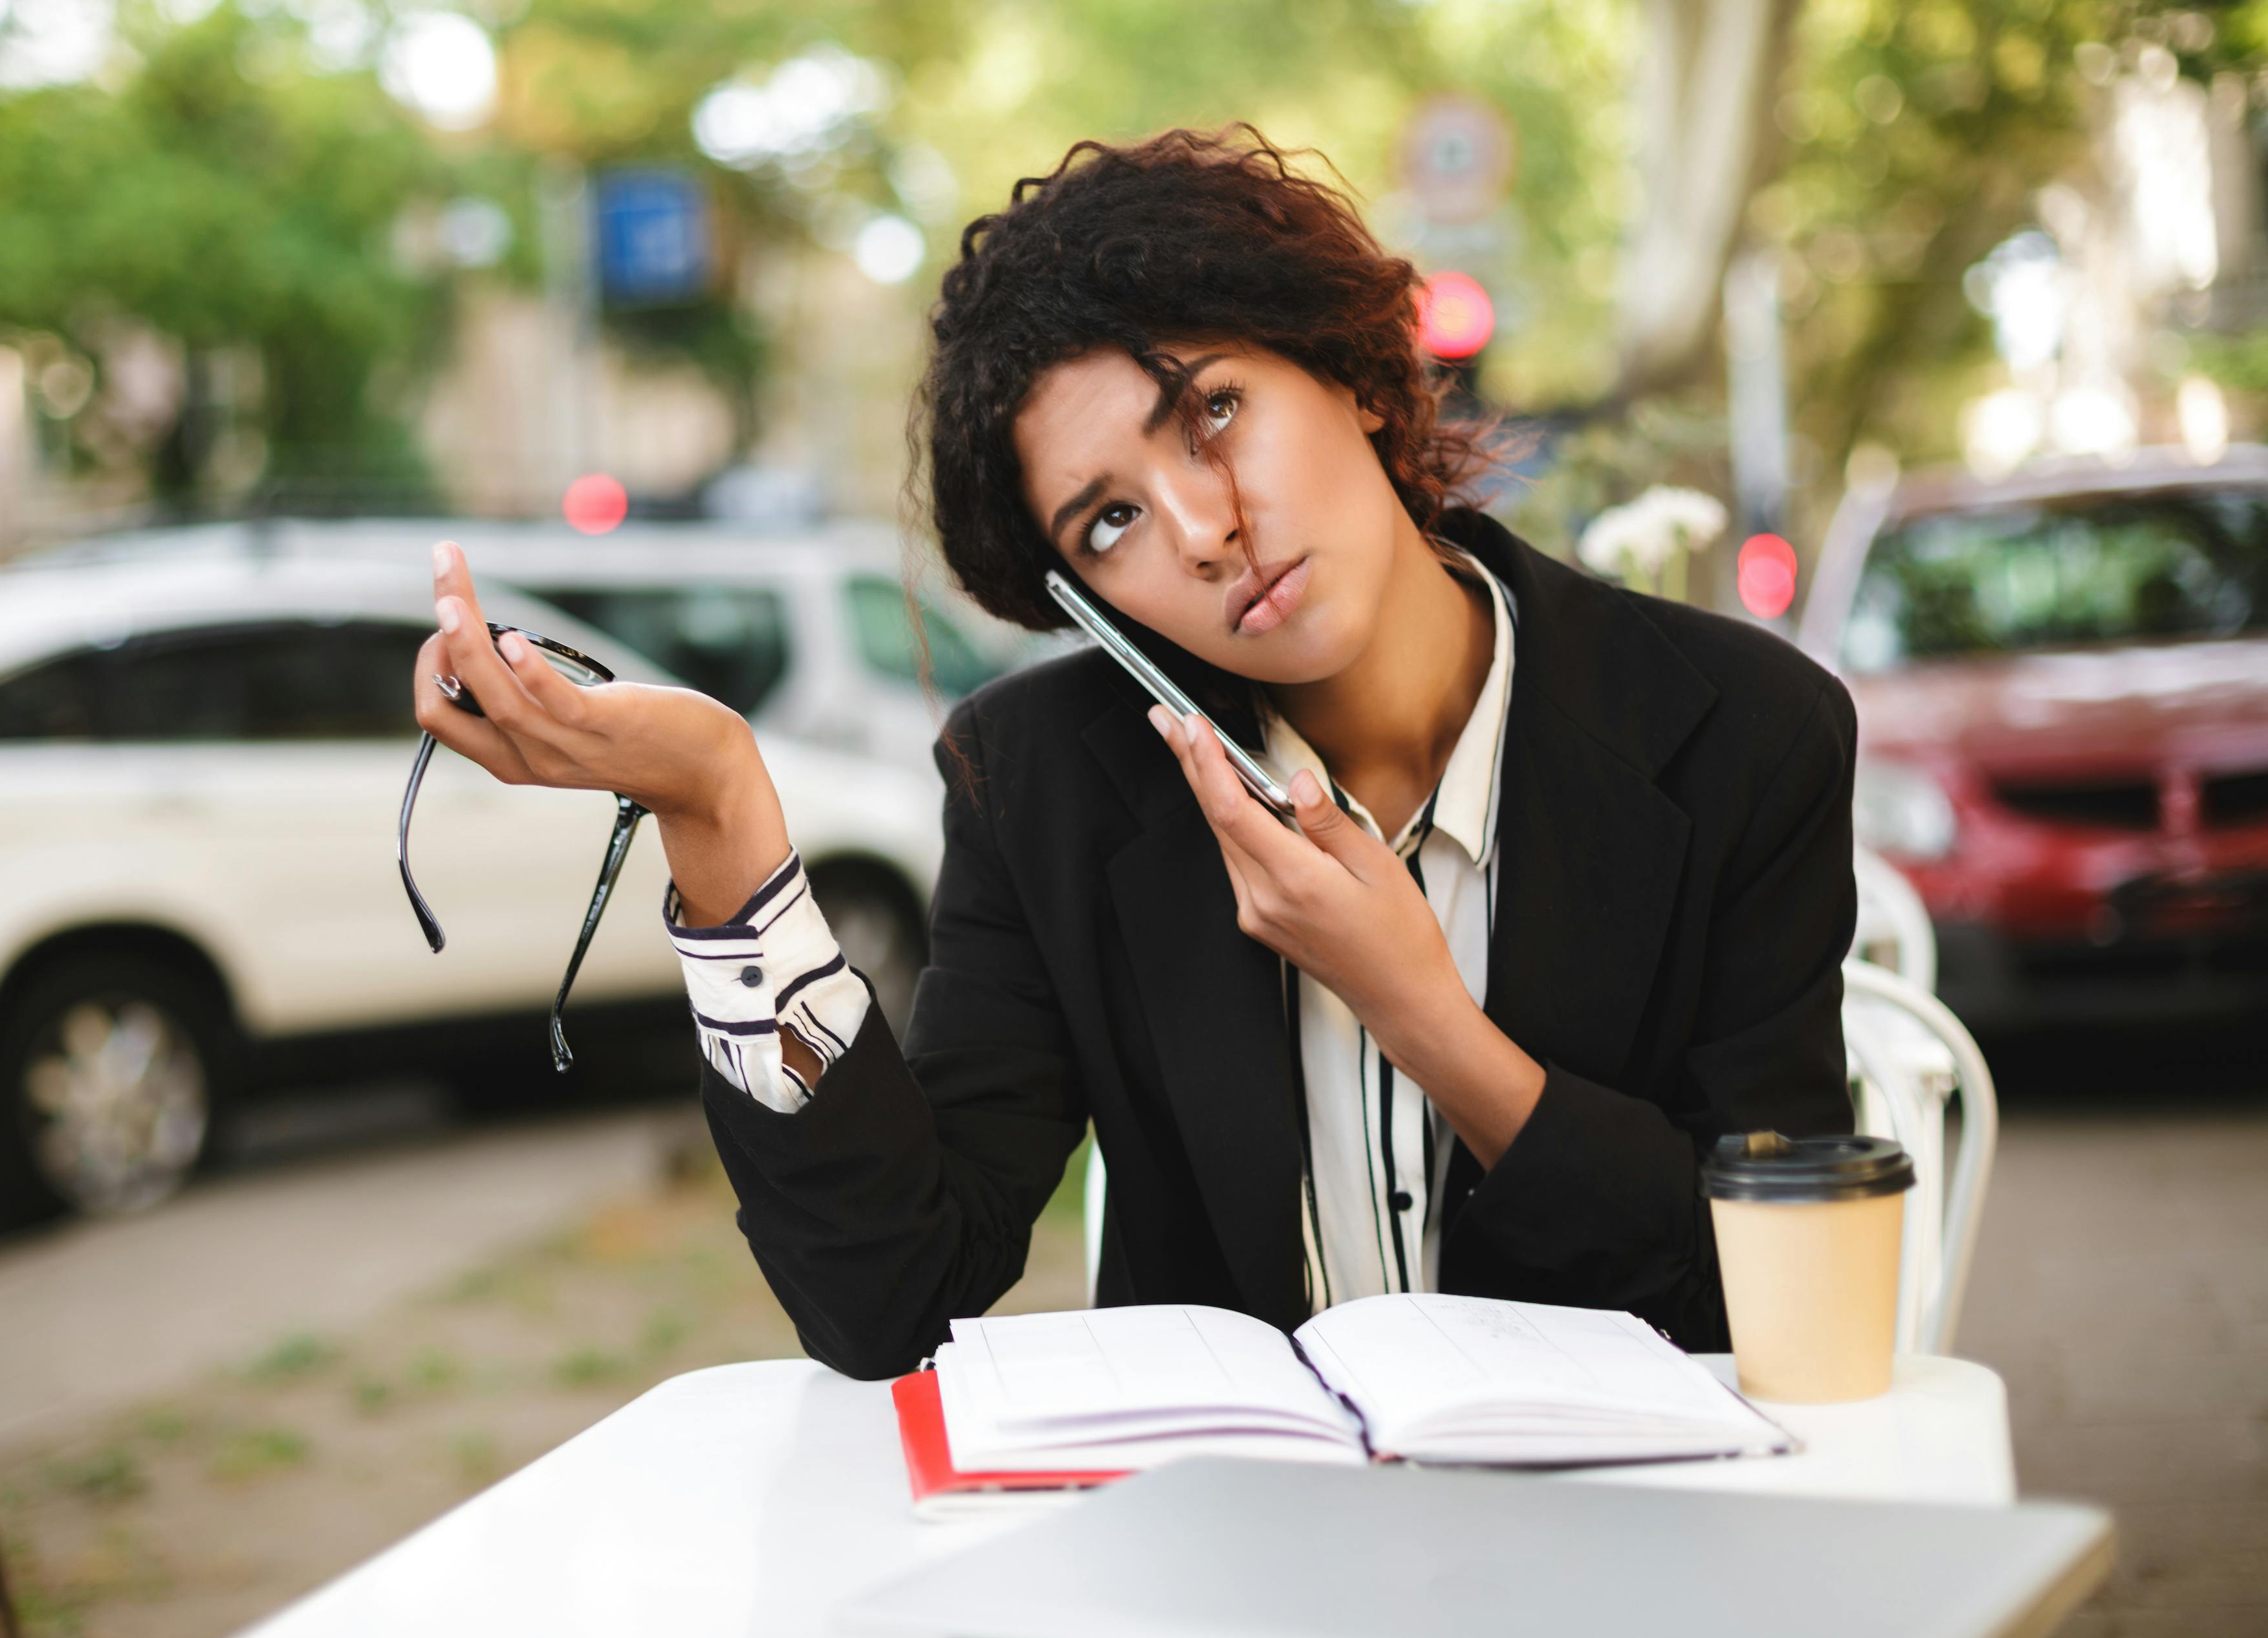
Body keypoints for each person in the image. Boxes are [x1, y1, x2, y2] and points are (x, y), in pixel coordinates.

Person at [415, 129, 1857, 1380]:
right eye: (1109, 521)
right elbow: (888, 1295)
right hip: (1230, 1571)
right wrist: (719, 817)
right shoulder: (1047, 780)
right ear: (1084, 599)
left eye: (1214, 412)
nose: (1202, 530)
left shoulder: (1740, 734)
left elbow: (1770, 1291)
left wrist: (1427, 1018)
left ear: (1351, 371)